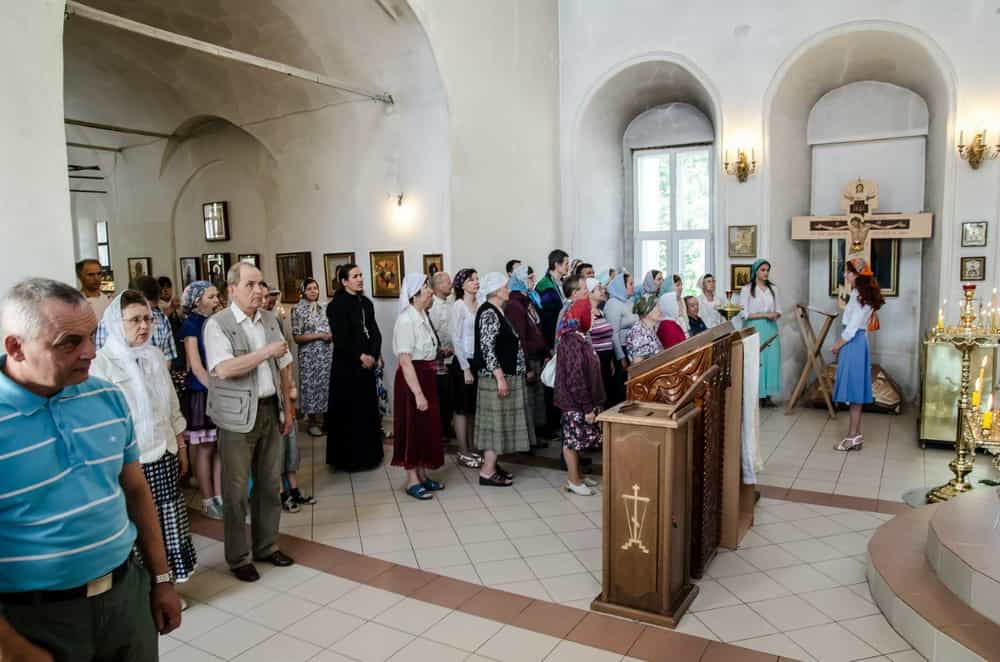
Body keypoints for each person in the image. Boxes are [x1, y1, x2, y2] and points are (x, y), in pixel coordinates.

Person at [0, 278, 181, 659]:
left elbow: (134, 490)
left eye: (93, 335)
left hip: (124, 595)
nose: (90, 352)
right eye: (70, 342)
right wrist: (12, 648)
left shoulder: (107, 398)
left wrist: (161, 580)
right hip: (35, 619)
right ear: (16, 347)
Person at [91, 291, 196, 588]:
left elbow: (172, 406)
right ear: (116, 322)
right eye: (135, 320)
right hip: (132, 461)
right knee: (140, 524)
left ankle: (167, 584)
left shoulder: (154, 356)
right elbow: (103, 421)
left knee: (168, 519)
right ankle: (142, 588)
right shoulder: (102, 364)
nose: (144, 326)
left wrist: (182, 447)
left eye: (148, 319)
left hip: (164, 451)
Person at [203, 263, 297, 582]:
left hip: (270, 409)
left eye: (261, 284)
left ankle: (266, 546)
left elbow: (284, 364)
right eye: (250, 285)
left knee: (270, 484)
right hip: (236, 417)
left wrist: (289, 408)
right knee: (236, 490)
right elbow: (225, 369)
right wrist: (264, 352)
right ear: (231, 289)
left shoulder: (270, 319)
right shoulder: (218, 324)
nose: (259, 291)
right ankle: (238, 556)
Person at [474, 272, 533, 486]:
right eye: (506, 287)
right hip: (495, 377)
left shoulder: (497, 309)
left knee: (500, 425)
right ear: (497, 291)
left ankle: (492, 464)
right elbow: (487, 348)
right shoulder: (489, 313)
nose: (509, 290)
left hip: (504, 374)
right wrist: (500, 377)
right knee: (495, 426)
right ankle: (487, 471)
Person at [261, 282, 314, 512]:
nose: (268, 300)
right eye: (264, 296)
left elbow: (285, 358)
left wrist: (290, 386)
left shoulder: (273, 320)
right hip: (267, 390)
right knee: (275, 448)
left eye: (270, 295)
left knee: (290, 440)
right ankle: (280, 493)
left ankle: (293, 487)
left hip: (283, 386)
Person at [326, 263, 384, 472]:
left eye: (361, 275)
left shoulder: (366, 303)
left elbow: (375, 332)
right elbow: (341, 339)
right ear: (344, 281)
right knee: (348, 413)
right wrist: (361, 356)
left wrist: (374, 355)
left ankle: (369, 456)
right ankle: (348, 459)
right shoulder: (336, 305)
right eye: (355, 276)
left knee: (366, 411)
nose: (360, 279)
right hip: (346, 367)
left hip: (366, 366)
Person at [392, 274, 446, 499]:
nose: (431, 291)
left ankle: (422, 474)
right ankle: (412, 479)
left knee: (425, 427)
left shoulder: (422, 315)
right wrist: (418, 394)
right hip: (412, 380)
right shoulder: (405, 320)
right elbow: (405, 360)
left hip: (426, 376)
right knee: (412, 428)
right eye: (425, 287)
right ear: (414, 295)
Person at [179, 280, 224, 519]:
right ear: (197, 301)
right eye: (211, 297)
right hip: (202, 389)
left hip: (219, 386)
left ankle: (220, 495)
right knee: (206, 447)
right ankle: (208, 499)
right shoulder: (191, 325)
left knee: (220, 447)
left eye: (217, 296)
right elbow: (196, 366)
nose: (217, 301)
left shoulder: (217, 321)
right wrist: (216, 391)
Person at [831, 258, 883, 452]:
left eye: (849, 272)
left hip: (854, 342)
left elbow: (853, 327)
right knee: (854, 392)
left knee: (854, 391)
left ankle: (853, 436)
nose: (845, 275)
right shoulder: (856, 293)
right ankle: (855, 435)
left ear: (859, 274)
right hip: (853, 342)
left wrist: (838, 344)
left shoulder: (863, 297)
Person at [555, 298, 605, 496]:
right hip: (574, 401)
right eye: (590, 312)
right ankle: (573, 481)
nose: (593, 316)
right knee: (571, 441)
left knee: (579, 440)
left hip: (582, 401)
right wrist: (586, 408)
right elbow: (576, 378)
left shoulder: (580, 336)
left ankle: (579, 476)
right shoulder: (571, 341)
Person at [96, 275, 177, 368]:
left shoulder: (161, 319)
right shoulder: (107, 323)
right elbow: (102, 361)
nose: (145, 325)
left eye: (152, 309)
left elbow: (167, 357)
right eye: (135, 319)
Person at [505, 265, 548, 439]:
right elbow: (520, 337)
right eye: (529, 278)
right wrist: (527, 366)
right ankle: (529, 440)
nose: (533, 281)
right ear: (521, 281)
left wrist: (545, 353)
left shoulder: (528, 300)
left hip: (536, 355)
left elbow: (536, 329)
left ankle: (536, 435)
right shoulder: (515, 304)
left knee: (536, 398)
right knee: (528, 400)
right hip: (528, 358)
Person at [449, 269, 483, 467]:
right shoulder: (459, 306)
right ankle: (462, 451)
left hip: (476, 360)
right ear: (462, 285)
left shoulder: (479, 304)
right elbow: (456, 338)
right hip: (463, 363)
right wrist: (465, 368)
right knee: (461, 409)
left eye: (477, 279)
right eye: (471, 280)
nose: (476, 282)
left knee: (472, 408)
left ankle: (471, 447)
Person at [291, 278, 332, 437]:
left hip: (325, 355)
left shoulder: (323, 307)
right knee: (311, 388)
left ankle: (327, 421)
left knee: (326, 387)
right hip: (309, 357)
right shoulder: (297, 309)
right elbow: (297, 337)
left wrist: (329, 335)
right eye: (309, 288)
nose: (313, 291)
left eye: (315, 288)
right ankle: (312, 422)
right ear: (303, 291)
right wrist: (319, 335)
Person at [739, 258, 781, 407]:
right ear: (755, 271)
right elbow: (744, 313)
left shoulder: (773, 289)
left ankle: (767, 395)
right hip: (754, 328)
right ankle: (756, 394)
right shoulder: (747, 289)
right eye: (763, 270)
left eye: (767, 270)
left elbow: (778, 309)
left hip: (771, 328)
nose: (766, 273)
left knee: (771, 360)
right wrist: (764, 315)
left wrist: (775, 314)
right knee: (757, 360)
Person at [428, 271, 455, 441]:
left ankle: (447, 425)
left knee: (449, 396)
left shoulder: (450, 304)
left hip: (452, 357)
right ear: (437, 286)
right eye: (447, 282)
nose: (450, 284)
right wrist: (441, 349)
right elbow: (432, 332)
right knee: (440, 395)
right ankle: (439, 430)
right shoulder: (433, 306)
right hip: (439, 359)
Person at [604, 273, 638, 403]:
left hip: (631, 347)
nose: (633, 286)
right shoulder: (613, 304)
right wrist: (621, 357)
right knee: (620, 386)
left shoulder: (629, 302)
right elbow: (613, 333)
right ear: (621, 287)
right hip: (620, 349)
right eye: (630, 284)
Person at [587, 277, 616, 407]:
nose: (603, 290)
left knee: (608, 395)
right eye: (599, 288)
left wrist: (610, 360)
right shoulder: (587, 314)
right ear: (590, 292)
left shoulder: (600, 312)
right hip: (595, 360)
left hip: (606, 358)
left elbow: (608, 338)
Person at [535, 249, 570, 346]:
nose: (568, 267)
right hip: (552, 338)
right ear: (557, 265)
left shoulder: (561, 282)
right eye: (566, 264)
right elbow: (548, 319)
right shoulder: (545, 286)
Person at [626, 294, 664, 364]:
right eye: (656, 306)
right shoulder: (639, 332)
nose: (660, 309)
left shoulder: (648, 328)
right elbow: (638, 367)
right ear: (647, 311)